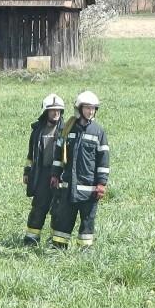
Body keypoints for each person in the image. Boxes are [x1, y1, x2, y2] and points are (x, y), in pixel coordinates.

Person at [50, 90, 109, 249]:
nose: (91, 111)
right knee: (63, 220)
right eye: (88, 108)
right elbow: (58, 154)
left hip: (90, 189)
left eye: (93, 108)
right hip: (69, 186)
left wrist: (101, 184)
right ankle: (58, 249)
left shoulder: (98, 132)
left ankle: (85, 250)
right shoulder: (67, 129)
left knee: (87, 221)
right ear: (79, 109)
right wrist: (55, 174)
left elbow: (103, 160)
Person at [22, 93, 66, 245]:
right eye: (52, 110)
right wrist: (27, 171)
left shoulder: (66, 130)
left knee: (58, 209)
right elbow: (31, 154)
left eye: (58, 110)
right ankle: (31, 239)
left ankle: (55, 241)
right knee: (38, 207)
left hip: (60, 175)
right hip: (42, 174)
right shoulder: (38, 131)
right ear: (46, 112)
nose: (56, 113)